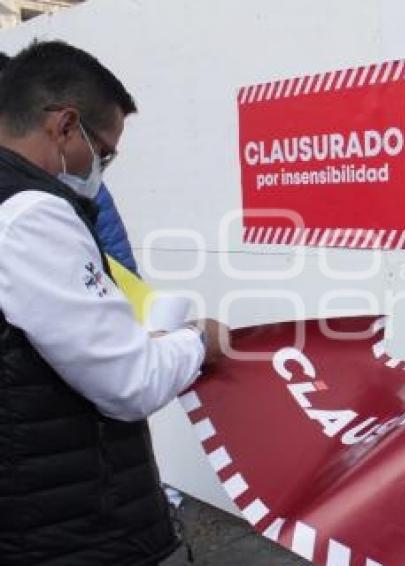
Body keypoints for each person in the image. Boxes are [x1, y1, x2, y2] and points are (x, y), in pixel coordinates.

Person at [0, 41, 226, 565]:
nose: (102, 168)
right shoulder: (31, 213)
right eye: (103, 151)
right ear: (63, 127)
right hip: (75, 527)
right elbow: (130, 382)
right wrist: (198, 341)